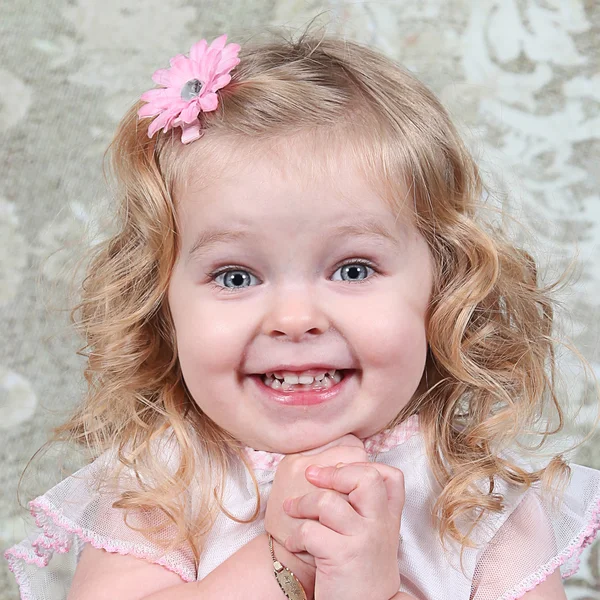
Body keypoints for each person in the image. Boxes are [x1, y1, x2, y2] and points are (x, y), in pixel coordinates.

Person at [4, 29, 600, 600]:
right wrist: (281, 561)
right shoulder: (161, 486)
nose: (294, 319)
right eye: (236, 277)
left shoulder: (482, 506)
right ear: (160, 308)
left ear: (443, 289)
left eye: (353, 270)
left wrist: (368, 590)